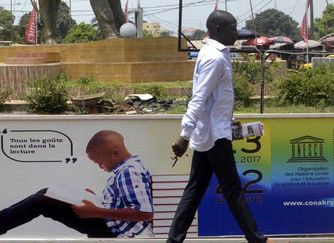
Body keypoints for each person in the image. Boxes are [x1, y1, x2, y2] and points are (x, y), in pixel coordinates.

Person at [167, 10, 268, 243]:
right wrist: (184, 135)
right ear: (219, 29)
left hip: (210, 134)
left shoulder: (214, 52)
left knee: (194, 191)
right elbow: (199, 98)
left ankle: (173, 240)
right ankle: (257, 239)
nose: (237, 32)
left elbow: (215, 99)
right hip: (214, 137)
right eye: (233, 28)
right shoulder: (214, 57)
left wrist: (229, 121)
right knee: (232, 190)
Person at [0, 130, 153, 238]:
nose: (100, 167)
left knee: (43, 201)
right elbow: (122, 204)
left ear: (115, 153)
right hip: (107, 222)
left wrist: (96, 211)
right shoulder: (126, 169)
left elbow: (145, 214)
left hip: (110, 230)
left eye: (100, 162)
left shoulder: (130, 171)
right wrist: (96, 200)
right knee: (46, 193)